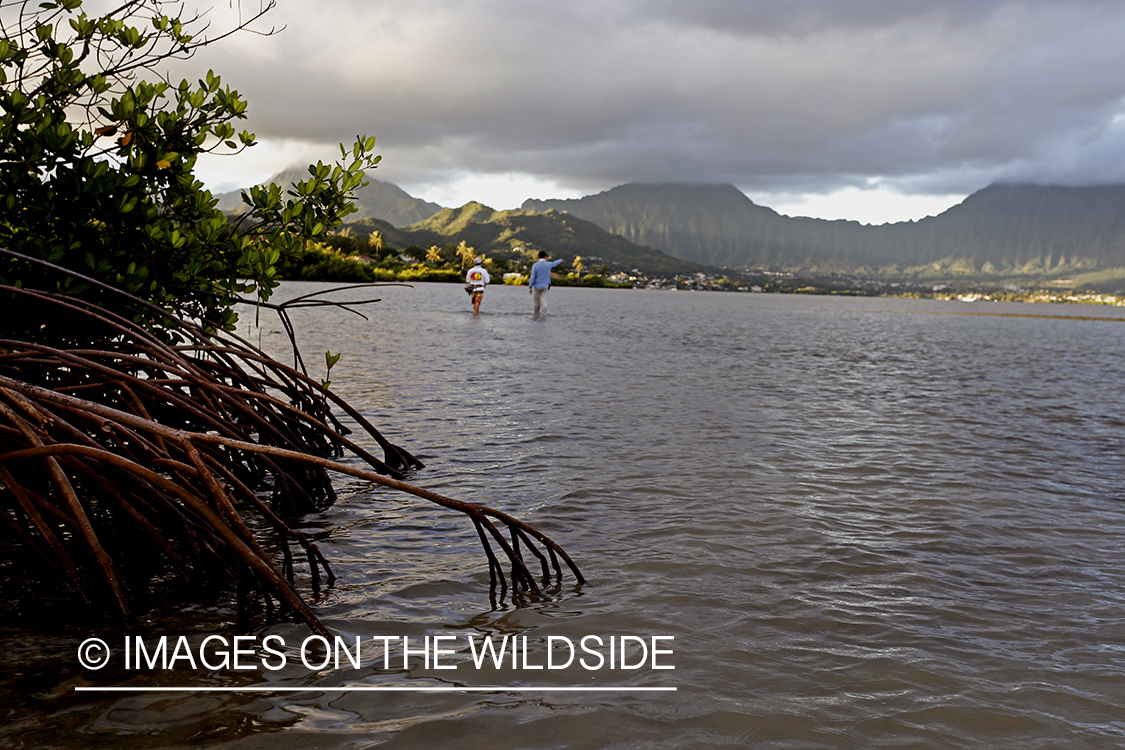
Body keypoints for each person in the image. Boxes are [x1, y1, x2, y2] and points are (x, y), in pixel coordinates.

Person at [527, 251, 563, 315]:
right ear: (545, 257)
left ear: (538, 256)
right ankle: (543, 314)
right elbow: (555, 263)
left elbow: (533, 276)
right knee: (544, 301)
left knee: (536, 302)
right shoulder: (548, 264)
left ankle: (536, 314)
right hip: (545, 286)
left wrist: (530, 286)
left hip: (537, 286)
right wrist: (560, 260)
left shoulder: (535, 265)